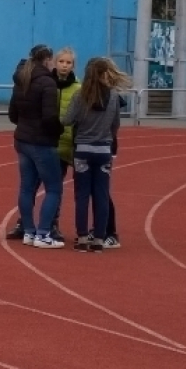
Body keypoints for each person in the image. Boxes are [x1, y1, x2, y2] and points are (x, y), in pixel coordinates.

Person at [6, 46, 80, 242]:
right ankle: (44, 232)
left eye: (68, 62)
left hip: (22, 139)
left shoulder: (21, 79)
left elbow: (13, 113)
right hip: (43, 142)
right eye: (59, 61)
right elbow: (49, 118)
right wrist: (57, 132)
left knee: (26, 187)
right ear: (49, 60)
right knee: (54, 188)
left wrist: (25, 125)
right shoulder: (47, 83)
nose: (62, 65)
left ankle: (28, 230)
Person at [61, 57, 129, 253]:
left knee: (81, 195)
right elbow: (115, 124)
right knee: (101, 194)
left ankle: (82, 237)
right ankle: (99, 238)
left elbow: (67, 120)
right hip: (103, 150)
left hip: (82, 149)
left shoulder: (79, 96)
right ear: (104, 73)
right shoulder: (114, 97)